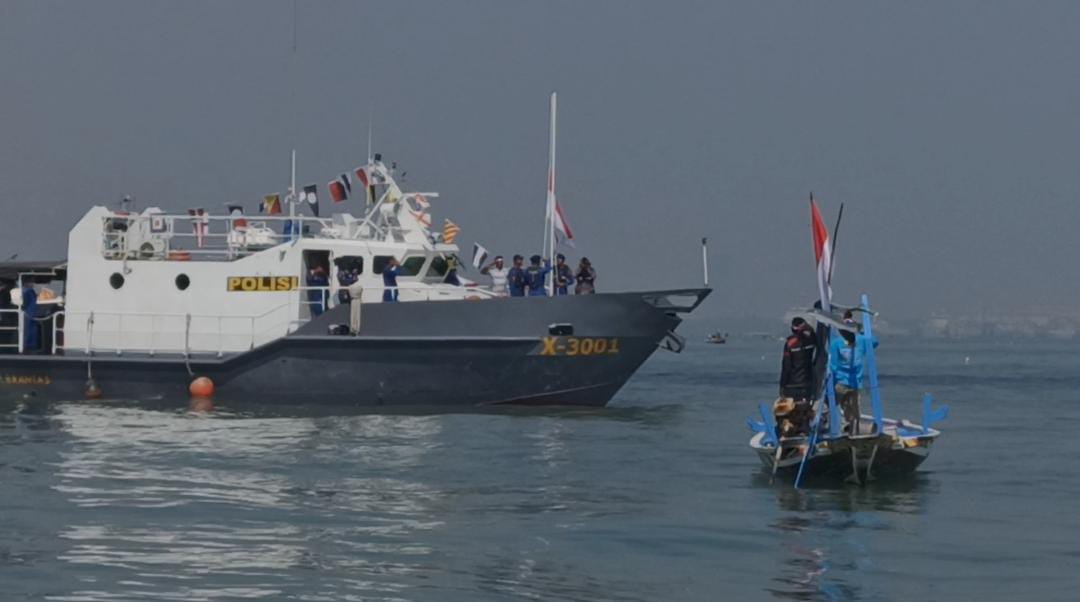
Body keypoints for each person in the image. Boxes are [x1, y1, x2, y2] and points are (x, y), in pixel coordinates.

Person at [829, 315, 880, 434]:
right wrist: (861, 331)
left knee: (835, 406)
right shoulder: (860, 340)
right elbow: (874, 341)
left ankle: (846, 429)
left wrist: (832, 380)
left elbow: (833, 365)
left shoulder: (837, 342)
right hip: (853, 382)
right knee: (852, 409)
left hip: (844, 382)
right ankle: (852, 429)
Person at [775, 317, 816, 437]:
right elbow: (815, 337)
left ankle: (790, 432)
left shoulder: (790, 344)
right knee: (805, 409)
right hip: (807, 383)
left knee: (791, 411)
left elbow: (786, 367)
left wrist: (782, 386)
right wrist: (810, 328)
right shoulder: (811, 341)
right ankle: (804, 430)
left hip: (792, 384)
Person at [20, 280, 39, 353]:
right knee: (30, 330)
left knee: (27, 330)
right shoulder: (29, 291)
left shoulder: (22, 290)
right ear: (26, 282)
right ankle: (29, 346)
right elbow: (32, 302)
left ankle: (27, 346)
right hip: (30, 313)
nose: (33, 283)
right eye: (31, 281)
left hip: (27, 313)